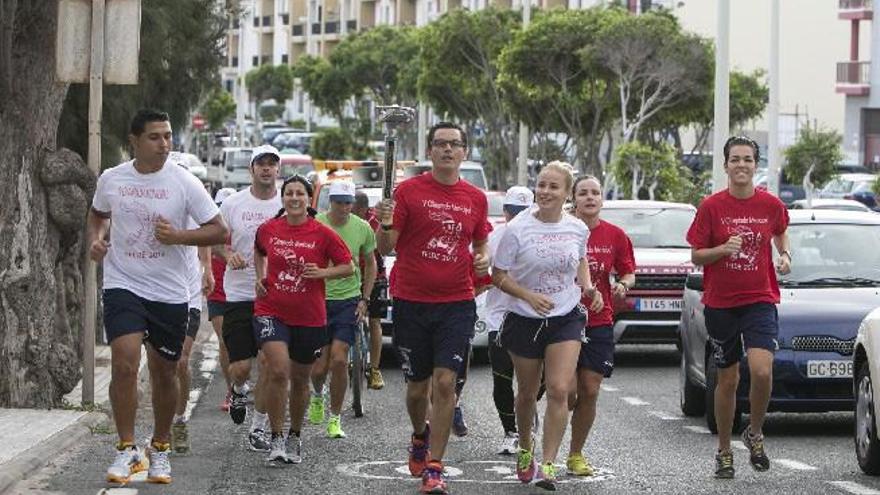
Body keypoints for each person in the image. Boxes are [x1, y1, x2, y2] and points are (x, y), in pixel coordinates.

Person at [88, 109, 228, 484]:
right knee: (124, 363)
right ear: (134, 141)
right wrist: (95, 240)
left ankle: (160, 447)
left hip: (169, 292)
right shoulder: (112, 179)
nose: (164, 144)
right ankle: (126, 449)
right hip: (123, 285)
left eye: (168, 136)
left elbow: (219, 230)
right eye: (155, 137)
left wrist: (179, 237)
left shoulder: (183, 182)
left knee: (166, 371)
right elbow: (97, 214)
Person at [376, 122, 490, 495]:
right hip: (411, 300)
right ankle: (419, 436)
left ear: (464, 152)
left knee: (445, 384)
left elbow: (480, 243)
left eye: (453, 144)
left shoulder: (475, 197)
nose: (446, 150)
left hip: (457, 302)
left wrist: (482, 261)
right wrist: (386, 220)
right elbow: (387, 246)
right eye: (440, 144)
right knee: (415, 389)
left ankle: (435, 466)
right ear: (430, 151)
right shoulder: (408, 192)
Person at [492, 161, 603, 491]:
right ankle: (526, 448)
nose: (545, 191)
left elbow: (580, 259)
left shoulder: (577, 228)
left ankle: (549, 464)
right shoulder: (516, 229)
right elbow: (497, 276)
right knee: (526, 393)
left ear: (567, 193)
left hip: (566, 316)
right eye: (541, 185)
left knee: (558, 389)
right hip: (525, 319)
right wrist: (528, 295)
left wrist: (587, 287)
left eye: (553, 187)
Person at [686, 135, 791, 479]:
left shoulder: (770, 205)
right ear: (726, 165)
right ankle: (724, 451)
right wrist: (722, 250)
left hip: (760, 298)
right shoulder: (711, 206)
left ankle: (755, 432)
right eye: (735, 159)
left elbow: (780, 230)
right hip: (720, 303)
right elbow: (697, 255)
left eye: (747, 159)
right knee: (728, 380)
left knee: (761, 370)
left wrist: (784, 254)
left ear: (755, 164)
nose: (741, 165)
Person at [253, 175, 353, 464]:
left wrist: (322, 273)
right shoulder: (269, 229)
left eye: (300, 194)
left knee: (299, 379)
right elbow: (259, 251)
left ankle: (295, 435)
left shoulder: (322, 234)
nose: (294, 198)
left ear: (309, 200)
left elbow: (347, 267)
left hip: (310, 317)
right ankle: (275, 437)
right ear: (282, 199)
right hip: (271, 311)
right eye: (289, 193)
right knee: (279, 370)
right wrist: (260, 277)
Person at [566, 175, 636, 476]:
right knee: (566, 393)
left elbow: (629, 272)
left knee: (590, 389)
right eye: (583, 193)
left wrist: (622, 284)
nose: (590, 198)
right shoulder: (563, 231)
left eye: (595, 193)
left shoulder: (615, 235)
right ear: (574, 198)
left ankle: (575, 454)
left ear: (601, 199)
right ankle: (542, 438)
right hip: (563, 320)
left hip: (599, 320)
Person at [218, 145, 282, 452]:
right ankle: (239, 390)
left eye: (272, 164)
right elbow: (214, 240)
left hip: (276, 297)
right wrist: (227, 254)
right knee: (241, 366)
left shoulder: (288, 202)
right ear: (252, 169)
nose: (267, 169)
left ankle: (259, 427)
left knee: (270, 363)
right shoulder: (233, 204)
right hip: (240, 294)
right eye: (262, 164)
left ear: (278, 170)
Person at [310, 181, 378, 438]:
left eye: (348, 202)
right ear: (331, 202)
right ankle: (318, 394)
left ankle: (335, 418)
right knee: (318, 368)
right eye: (338, 201)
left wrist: (365, 298)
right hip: (317, 300)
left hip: (347, 300)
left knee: (339, 359)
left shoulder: (362, 228)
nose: (343, 207)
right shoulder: (316, 224)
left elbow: (370, 264)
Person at [483, 186, 533, 454]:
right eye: (513, 211)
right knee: (502, 376)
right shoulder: (495, 237)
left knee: (540, 379)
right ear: (505, 212)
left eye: (524, 212)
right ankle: (511, 431)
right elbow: (480, 268)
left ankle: (526, 408)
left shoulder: (543, 237)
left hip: (536, 316)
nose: (518, 217)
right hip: (500, 317)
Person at [352, 191, 387, 390]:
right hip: (349, 277)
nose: (351, 213)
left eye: (356, 210)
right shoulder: (342, 220)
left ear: (365, 210)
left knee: (375, 321)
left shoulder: (375, 222)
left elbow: (383, 246)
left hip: (376, 277)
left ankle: (374, 369)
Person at [207, 187, 237, 412]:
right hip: (218, 290)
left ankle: (246, 384)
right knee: (225, 342)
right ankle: (231, 390)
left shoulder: (242, 227)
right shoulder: (211, 230)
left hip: (242, 291)